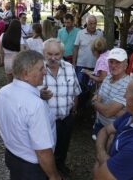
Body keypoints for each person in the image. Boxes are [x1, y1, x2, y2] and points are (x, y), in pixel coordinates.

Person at [0, 50, 62, 180]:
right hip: (32, 168)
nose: (45, 72)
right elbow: (42, 151)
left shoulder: (1, 93)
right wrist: (54, 176)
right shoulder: (35, 105)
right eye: (41, 69)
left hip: (12, 156)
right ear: (25, 74)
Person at [39, 38, 81, 177]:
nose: (53, 58)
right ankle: (48, 171)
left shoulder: (69, 68)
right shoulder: (38, 69)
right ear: (44, 53)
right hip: (47, 120)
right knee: (48, 148)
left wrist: (74, 110)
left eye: (56, 54)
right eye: (49, 54)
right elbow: (27, 95)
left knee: (64, 144)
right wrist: (39, 94)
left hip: (67, 117)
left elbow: (76, 91)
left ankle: (60, 165)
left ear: (62, 53)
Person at [91, 48, 130, 140]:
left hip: (115, 129)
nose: (113, 65)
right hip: (100, 123)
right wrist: (116, 111)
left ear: (126, 65)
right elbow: (99, 98)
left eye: (118, 62)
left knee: (107, 152)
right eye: (111, 62)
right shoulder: (107, 78)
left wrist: (95, 103)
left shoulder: (128, 84)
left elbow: (107, 112)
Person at [73, 15, 103, 107]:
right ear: (86, 24)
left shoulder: (100, 34)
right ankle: (78, 106)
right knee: (80, 85)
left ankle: (88, 107)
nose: (93, 26)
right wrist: (74, 63)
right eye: (90, 24)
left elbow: (101, 49)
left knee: (91, 87)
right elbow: (76, 48)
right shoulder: (80, 33)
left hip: (95, 65)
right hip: (81, 64)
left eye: (94, 23)